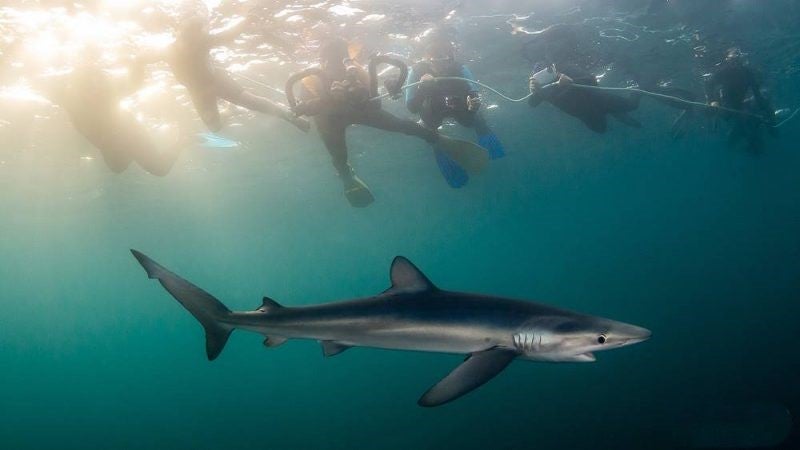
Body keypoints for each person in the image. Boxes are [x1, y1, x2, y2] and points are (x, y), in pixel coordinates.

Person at [288, 37, 488, 207]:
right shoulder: (312, 79)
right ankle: (346, 175)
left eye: (341, 60)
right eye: (331, 61)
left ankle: (438, 139)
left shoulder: (355, 70)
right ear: (323, 61)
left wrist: (375, 89)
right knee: (339, 155)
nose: (337, 65)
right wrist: (317, 103)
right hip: (330, 120)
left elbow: (374, 102)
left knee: (404, 126)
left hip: (360, 110)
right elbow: (306, 109)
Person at [138, 12, 309, 133]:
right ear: (179, 33)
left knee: (250, 101)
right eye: (189, 34)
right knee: (215, 127)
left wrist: (245, 22)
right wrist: (134, 61)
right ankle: (230, 110)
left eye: (195, 33)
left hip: (216, 80)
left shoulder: (201, 41)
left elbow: (228, 35)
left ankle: (290, 117)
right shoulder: (169, 50)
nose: (192, 40)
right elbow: (144, 58)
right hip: (198, 91)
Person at [40, 55, 186, 176]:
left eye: (96, 83)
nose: (93, 90)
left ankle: (183, 140)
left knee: (159, 170)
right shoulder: (69, 98)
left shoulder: (108, 93)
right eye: (88, 85)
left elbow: (135, 82)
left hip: (131, 135)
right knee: (118, 168)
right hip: (110, 143)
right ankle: (179, 141)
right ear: (78, 85)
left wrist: (139, 63)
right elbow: (42, 87)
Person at [405, 38, 505, 159]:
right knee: (429, 128)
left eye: (444, 61)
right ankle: (437, 147)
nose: (440, 67)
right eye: (435, 61)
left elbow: (474, 95)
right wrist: (422, 88)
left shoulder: (460, 69)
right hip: (432, 108)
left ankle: (490, 147)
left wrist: (473, 107)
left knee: (476, 119)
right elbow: (412, 108)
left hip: (458, 103)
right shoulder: (416, 71)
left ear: (450, 59)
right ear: (427, 60)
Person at [528, 62, 642, 134]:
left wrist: (571, 81)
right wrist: (534, 91)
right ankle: (615, 112)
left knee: (633, 105)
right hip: (586, 114)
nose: (543, 76)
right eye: (538, 75)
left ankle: (636, 88)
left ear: (553, 68)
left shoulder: (566, 68)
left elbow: (591, 80)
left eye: (545, 71)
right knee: (600, 130)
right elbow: (532, 104)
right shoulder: (542, 88)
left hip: (600, 100)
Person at [706, 47, 776, 152]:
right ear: (728, 61)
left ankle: (765, 132)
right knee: (741, 119)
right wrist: (712, 101)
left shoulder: (747, 73)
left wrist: (765, 109)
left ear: (741, 60)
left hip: (740, 104)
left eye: (737, 60)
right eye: (732, 61)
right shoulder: (723, 72)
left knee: (760, 111)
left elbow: (756, 92)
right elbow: (709, 85)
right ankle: (745, 136)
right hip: (725, 105)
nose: (734, 63)